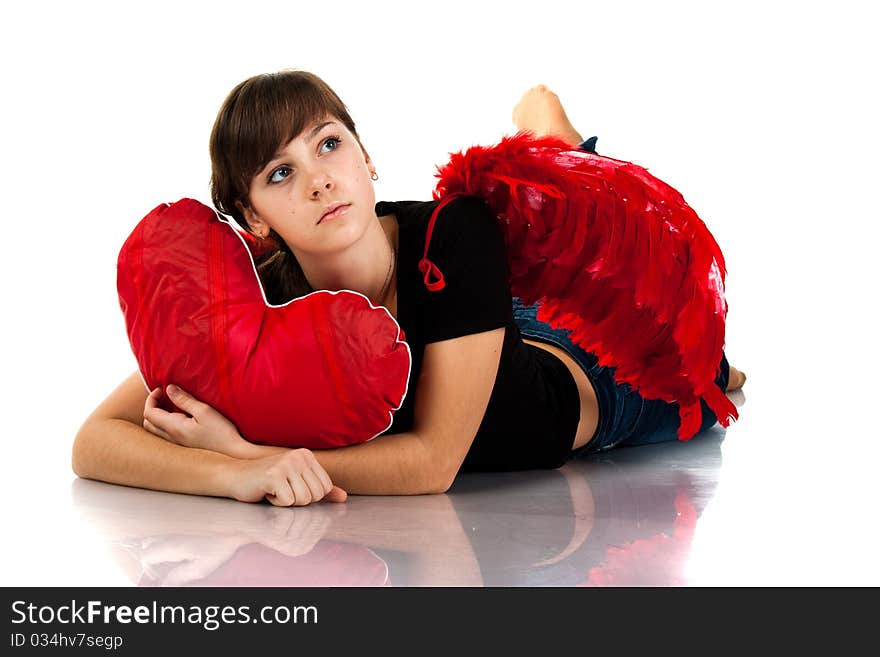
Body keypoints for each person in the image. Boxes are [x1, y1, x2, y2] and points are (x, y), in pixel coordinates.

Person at [72, 71, 746, 508]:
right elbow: (94, 440)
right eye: (280, 173)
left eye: (329, 145)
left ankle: (563, 149)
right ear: (253, 219)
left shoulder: (457, 232)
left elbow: (432, 462)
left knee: (703, 365)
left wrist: (248, 452)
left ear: (367, 160)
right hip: (478, 321)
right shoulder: (254, 304)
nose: (318, 180)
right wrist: (234, 477)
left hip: (587, 377)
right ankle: (554, 150)